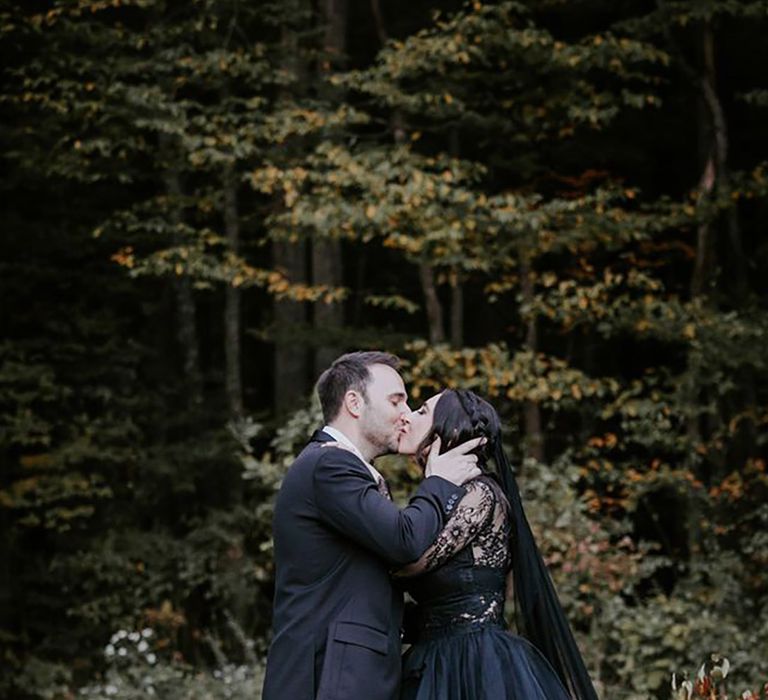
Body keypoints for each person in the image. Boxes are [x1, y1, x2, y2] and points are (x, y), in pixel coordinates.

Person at [261, 352, 484, 700]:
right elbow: (404, 541)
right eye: (396, 401)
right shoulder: (330, 466)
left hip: (345, 675)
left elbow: (365, 586)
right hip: (328, 680)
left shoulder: (343, 469)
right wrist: (439, 481)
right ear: (354, 402)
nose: (406, 414)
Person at [395, 388, 599, 700]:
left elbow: (411, 562)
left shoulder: (480, 494)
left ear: (447, 429)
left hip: (475, 662)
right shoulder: (441, 495)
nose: (408, 417)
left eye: (422, 412)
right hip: (433, 659)